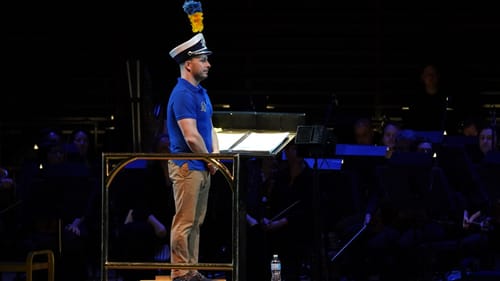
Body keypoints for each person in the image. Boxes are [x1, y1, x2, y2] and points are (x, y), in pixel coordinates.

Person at [166, 32, 219, 281]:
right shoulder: (183, 94)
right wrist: (210, 159)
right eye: (203, 59)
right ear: (189, 63)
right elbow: (191, 136)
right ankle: (180, 272)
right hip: (188, 166)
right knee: (185, 221)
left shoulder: (201, 93)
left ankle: (192, 270)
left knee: (196, 222)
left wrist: (214, 157)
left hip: (202, 165)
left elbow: (210, 127)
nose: (208, 64)